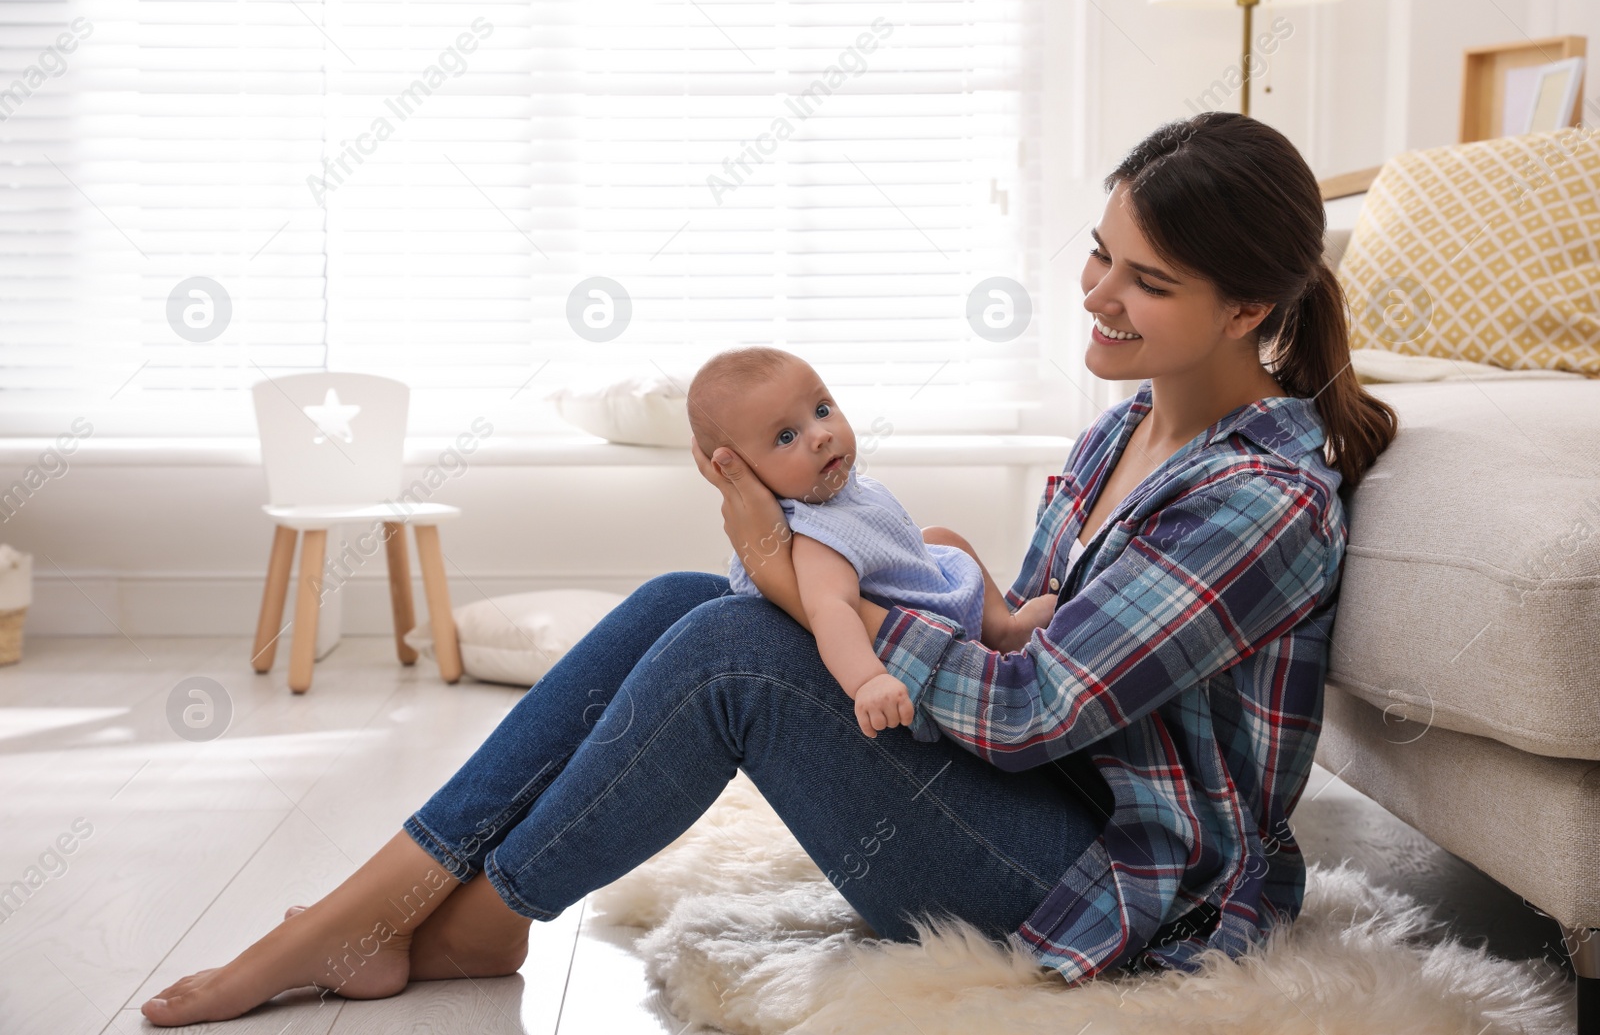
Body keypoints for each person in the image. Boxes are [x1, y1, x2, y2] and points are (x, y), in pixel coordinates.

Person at [140, 110, 1397, 1027]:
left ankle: (448, 915)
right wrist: (933, 587)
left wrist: (796, 581)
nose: (1097, 295)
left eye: (1147, 281)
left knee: (733, 642)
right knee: (684, 601)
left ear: (1245, 312)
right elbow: (1037, 642)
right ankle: (386, 906)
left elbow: (1029, 712)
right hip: (1056, 814)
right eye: (1100, 251)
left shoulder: (1258, 497)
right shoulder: (1124, 428)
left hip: (1117, 891)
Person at [686, 345, 1058, 741]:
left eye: (822, 409)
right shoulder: (815, 539)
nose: (821, 435)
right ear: (741, 472)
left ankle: (1002, 628)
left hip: (929, 591)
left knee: (941, 537)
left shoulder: (837, 491)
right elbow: (832, 610)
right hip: (922, 635)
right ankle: (994, 635)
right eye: (786, 436)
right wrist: (868, 681)